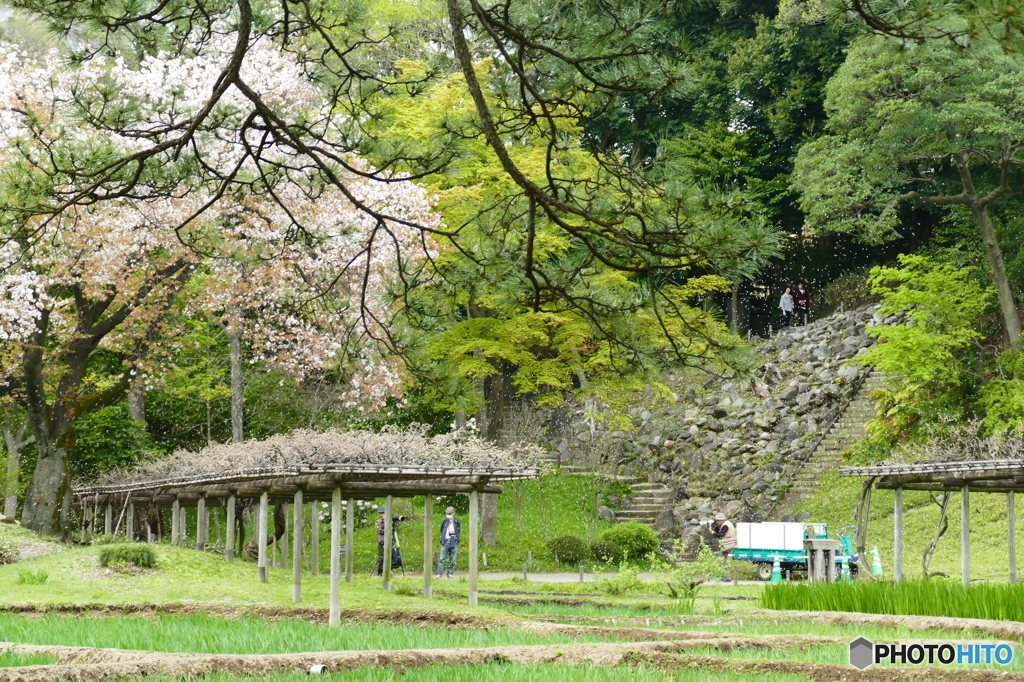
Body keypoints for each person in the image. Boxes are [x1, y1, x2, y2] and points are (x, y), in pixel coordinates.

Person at [375, 508, 409, 577]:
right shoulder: (378, 522)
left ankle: (388, 572)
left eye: (383, 513)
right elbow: (380, 531)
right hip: (382, 542)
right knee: (382, 558)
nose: (382, 515)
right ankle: (380, 573)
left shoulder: (390, 521)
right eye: (380, 514)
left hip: (390, 542)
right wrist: (388, 527)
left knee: (391, 557)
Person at [436, 506, 461, 579]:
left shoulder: (457, 522)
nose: (448, 514)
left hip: (453, 540)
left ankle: (450, 573)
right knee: (442, 558)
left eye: (450, 513)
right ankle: (439, 573)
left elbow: (458, 531)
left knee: (453, 559)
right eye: (447, 513)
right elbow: (441, 530)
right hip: (445, 541)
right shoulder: (444, 521)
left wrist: (456, 539)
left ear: (453, 513)